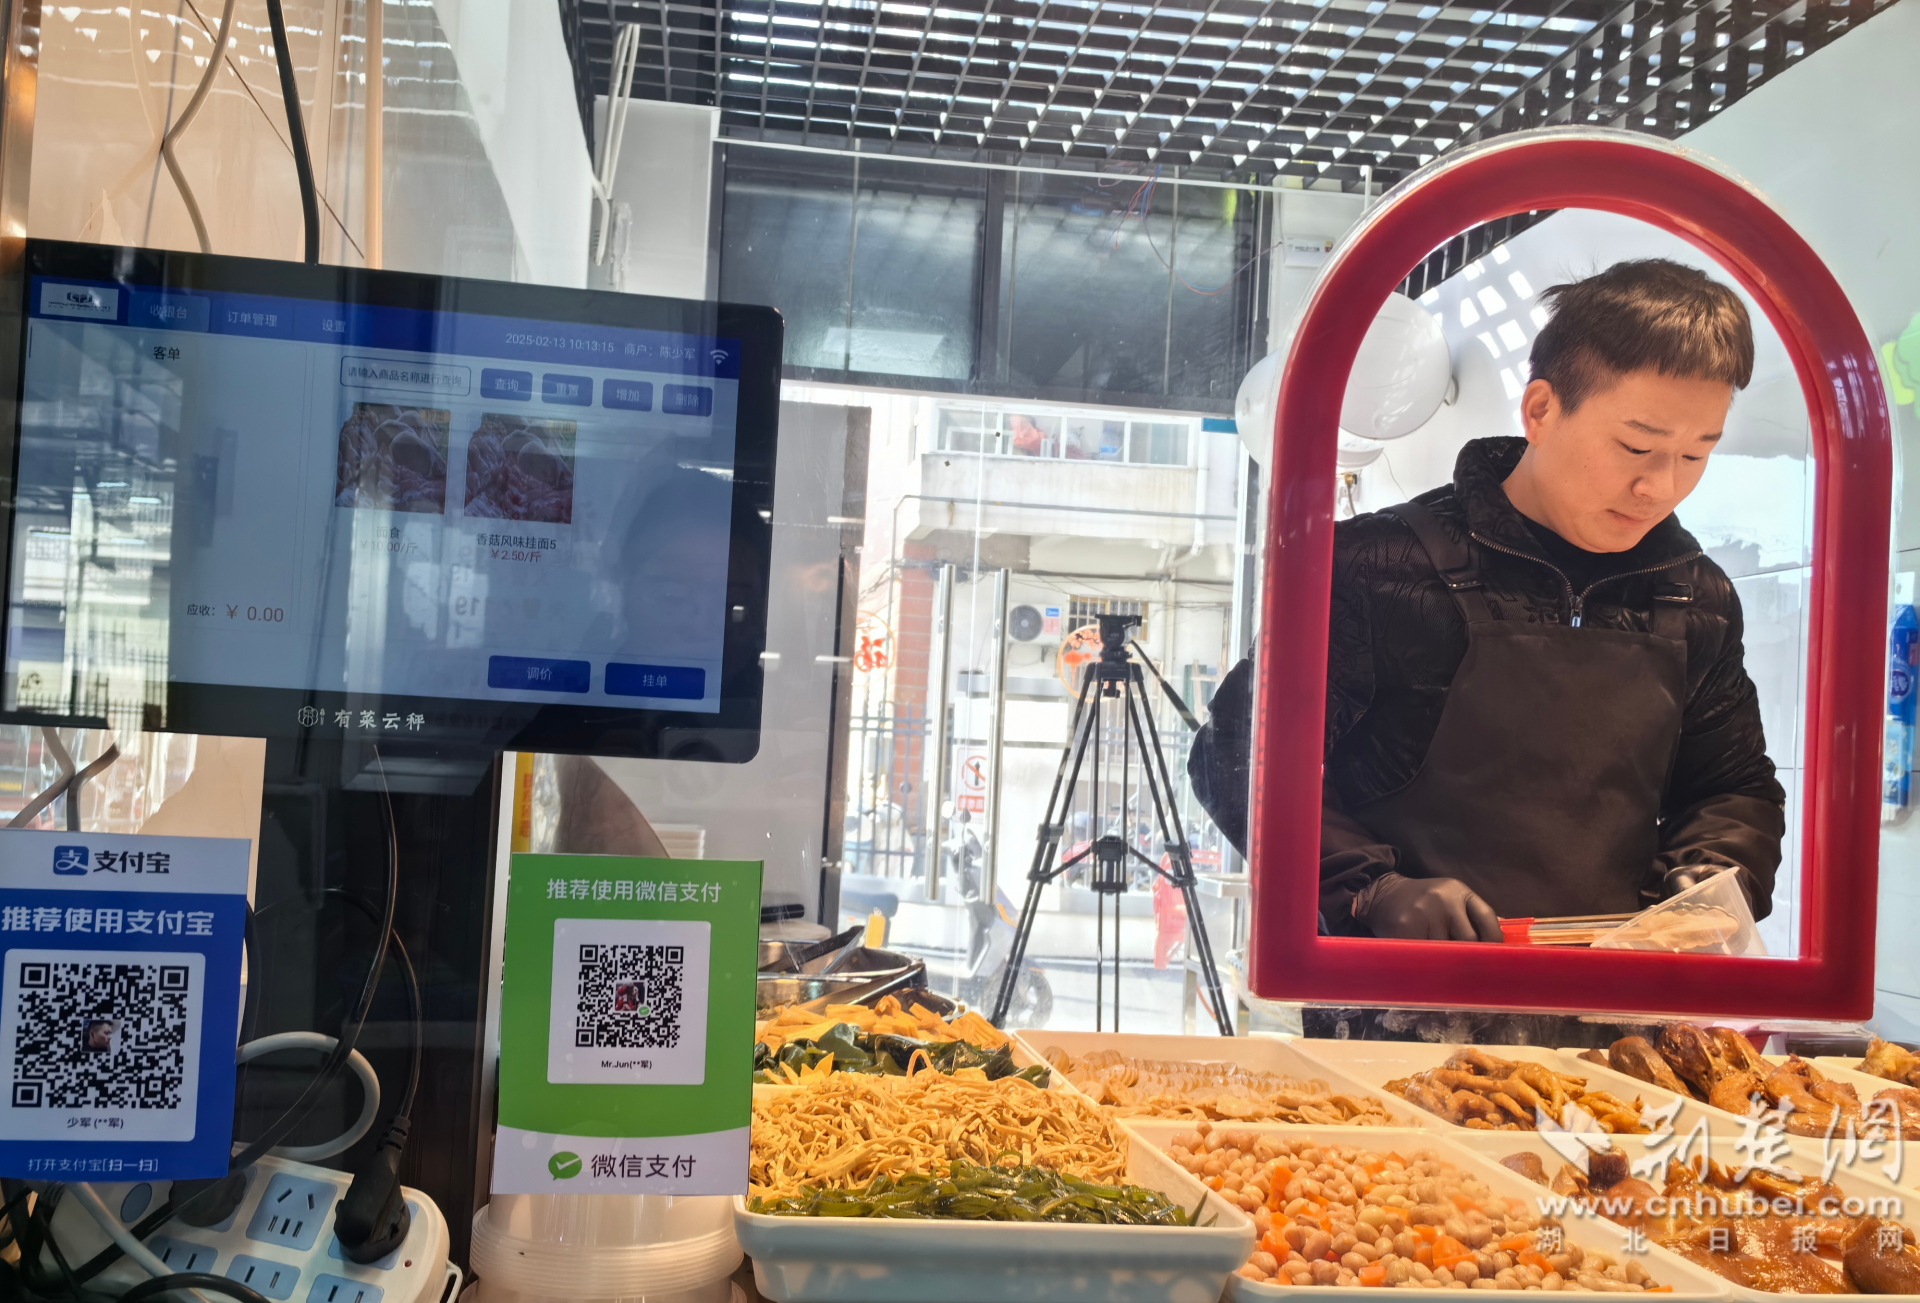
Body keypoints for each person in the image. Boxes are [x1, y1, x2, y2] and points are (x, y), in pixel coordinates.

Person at [1191, 258, 1785, 942]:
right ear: (1541, 410)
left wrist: (1711, 877)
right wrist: (1368, 889)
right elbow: (1240, 751)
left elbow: (1734, 787)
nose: (1661, 487)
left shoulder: (1696, 597)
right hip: (1398, 996)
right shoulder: (1375, 567)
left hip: (1612, 997)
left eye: (1695, 455)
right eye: (1635, 446)